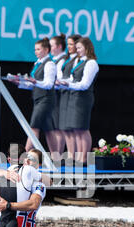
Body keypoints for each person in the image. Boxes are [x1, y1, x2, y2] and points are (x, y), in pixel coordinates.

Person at [10, 38, 58, 159]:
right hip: (39, 99)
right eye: (35, 49)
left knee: (33, 127)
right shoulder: (37, 64)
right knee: (49, 129)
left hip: (46, 99)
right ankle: (57, 158)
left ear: (46, 50)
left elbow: (48, 84)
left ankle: (25, 156)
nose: (36, 51)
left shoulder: (49, 64)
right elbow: (33, 85)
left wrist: (34, 81)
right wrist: (19, 83)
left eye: (38, 49)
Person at [57, 37, 99, 165]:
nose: (77, 50)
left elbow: (84, 84)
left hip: (83, 98)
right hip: (75, 97)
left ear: (87, 48)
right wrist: (63, 82)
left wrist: (68, 85)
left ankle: (84, 158)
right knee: (76, 129)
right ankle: (78, 158)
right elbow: (72, 79)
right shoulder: (79, 61)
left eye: (80, 48)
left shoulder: (91, 63)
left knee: (83, 128)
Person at [56, 34, 81, 162]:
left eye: (71, 44)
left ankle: (73, 155)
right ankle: (69, 154)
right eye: (69, 44)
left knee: (71, 128)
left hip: (71, 94)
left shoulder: (78, 59)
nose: (69, 47)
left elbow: (74, 77)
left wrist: (64, 81)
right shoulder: (66, 58)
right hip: (63, 93)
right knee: (64, 128)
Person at [49, 34, 67, 159]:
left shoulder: (62, 61)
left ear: (59, 46)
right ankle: (56, 155)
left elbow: (61, 79)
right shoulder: (54, 60)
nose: (50, 48)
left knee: (59, 127)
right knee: (54, 127)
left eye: (52, 46)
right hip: (53, 94)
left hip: (59, 94)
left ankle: (58, 156)